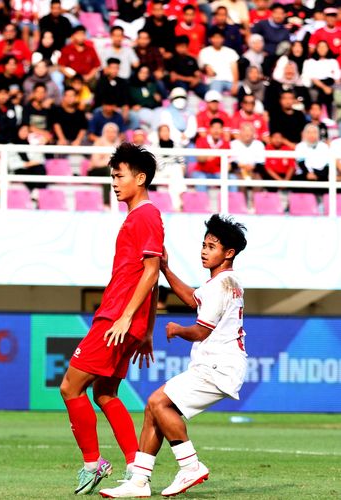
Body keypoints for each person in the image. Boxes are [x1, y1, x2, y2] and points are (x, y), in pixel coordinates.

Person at [99, 214, 248, 499]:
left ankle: (190, 465)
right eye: (204, 244)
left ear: (229, 253)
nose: (204, 250)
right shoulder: (224, 282)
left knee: (157, 401)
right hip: (218, 364)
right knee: (154, 410)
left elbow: (202, 331)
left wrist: (179, 329)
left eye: (212, 246)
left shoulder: (221, 285)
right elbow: (194, 299)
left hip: (219, 365)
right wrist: (166, 269)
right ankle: (139, 481)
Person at [60, 143, 162, 496]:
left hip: (116, 319)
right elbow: (155, 277)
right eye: (112, 176)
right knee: (105, 392)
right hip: (127, 320)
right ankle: (137, 470)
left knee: (70, 387)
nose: (114, 183)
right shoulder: (137, 217)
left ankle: (93, 463)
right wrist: (146, 330)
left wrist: (127, 318)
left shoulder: (146, 215)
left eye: (119, 176)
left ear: (140, 177)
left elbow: (151, 273)